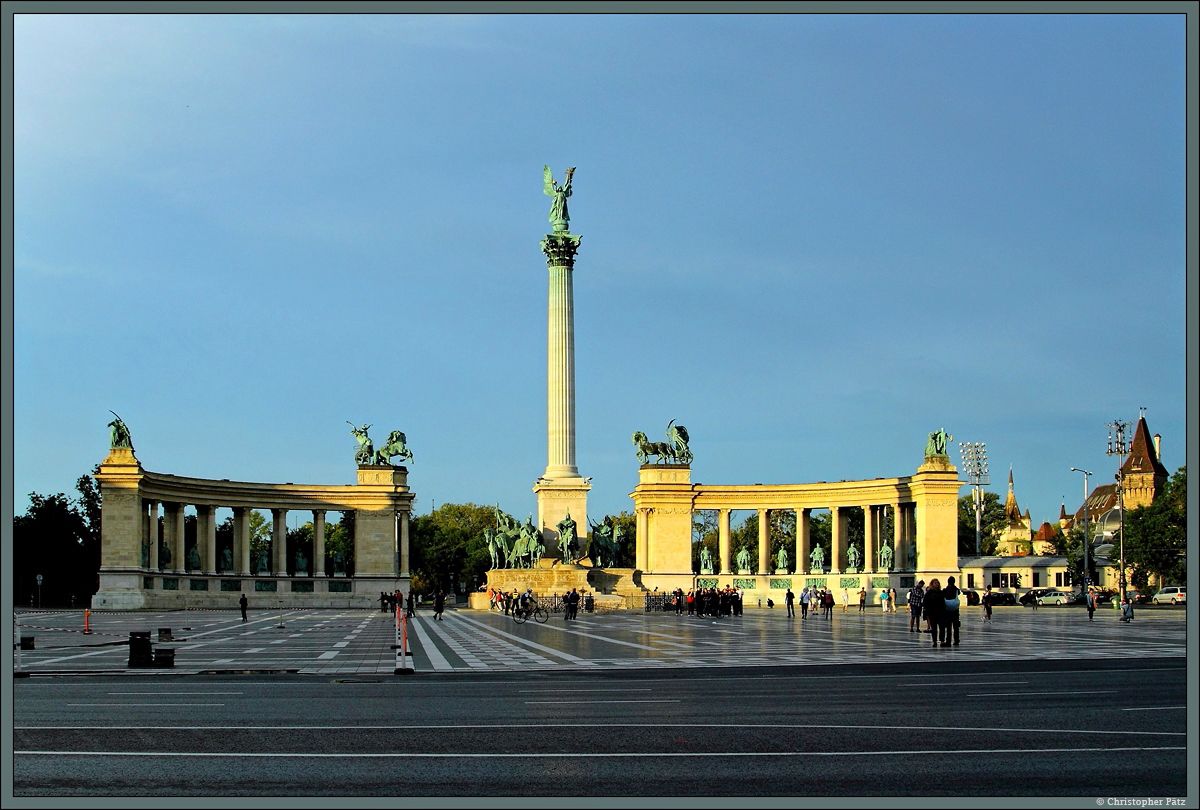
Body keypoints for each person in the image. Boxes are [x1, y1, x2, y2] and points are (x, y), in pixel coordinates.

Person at [923, 579, 944, 647]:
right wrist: (928, 611)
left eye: (937, 583)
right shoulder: (929, 593)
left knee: (941, 627)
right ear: (932, 584)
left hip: (940, 612)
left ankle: (942, 640)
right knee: (934, 628)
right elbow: (925, 602)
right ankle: (934, 641)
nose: (936, 584)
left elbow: (943, 602)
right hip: (932, 612)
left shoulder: (940, 592)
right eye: (935, 583)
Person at [941, 576, 962, 646]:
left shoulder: (945, 590)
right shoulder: (956, 589)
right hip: (955, 610)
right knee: (956, 627)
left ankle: (948, 640)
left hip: (947, 610)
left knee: (948, 626)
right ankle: (956, 640)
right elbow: (958, 593)